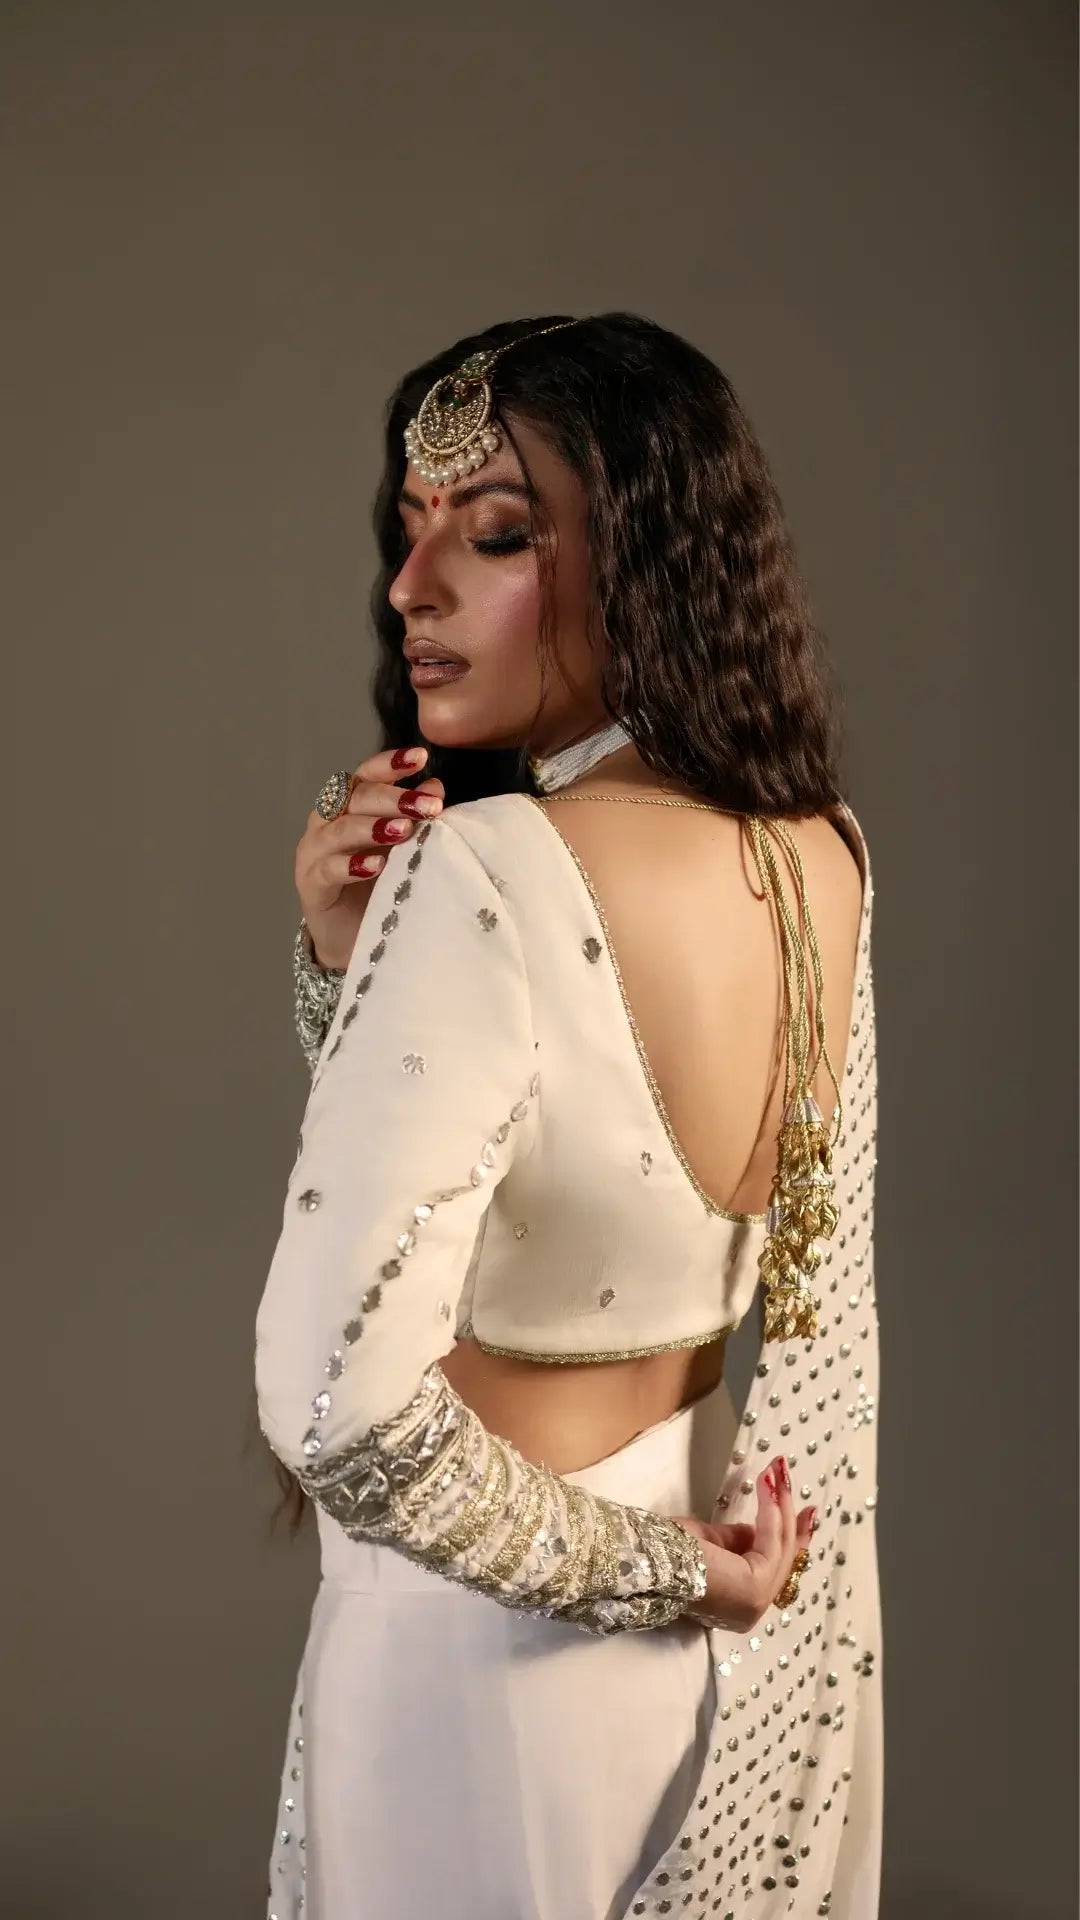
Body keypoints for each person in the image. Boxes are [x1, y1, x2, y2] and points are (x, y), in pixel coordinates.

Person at [254, 312, 882, 1920]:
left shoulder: (487, 871)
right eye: (411, 535)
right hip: (699, 1659)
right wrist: (348, 969)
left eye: (499, 534)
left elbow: (338, 1402)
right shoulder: (822, 853)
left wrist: (665, 1579)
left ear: (649, 557)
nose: (416, 590)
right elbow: (562, 1208)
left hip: (478, 1659)